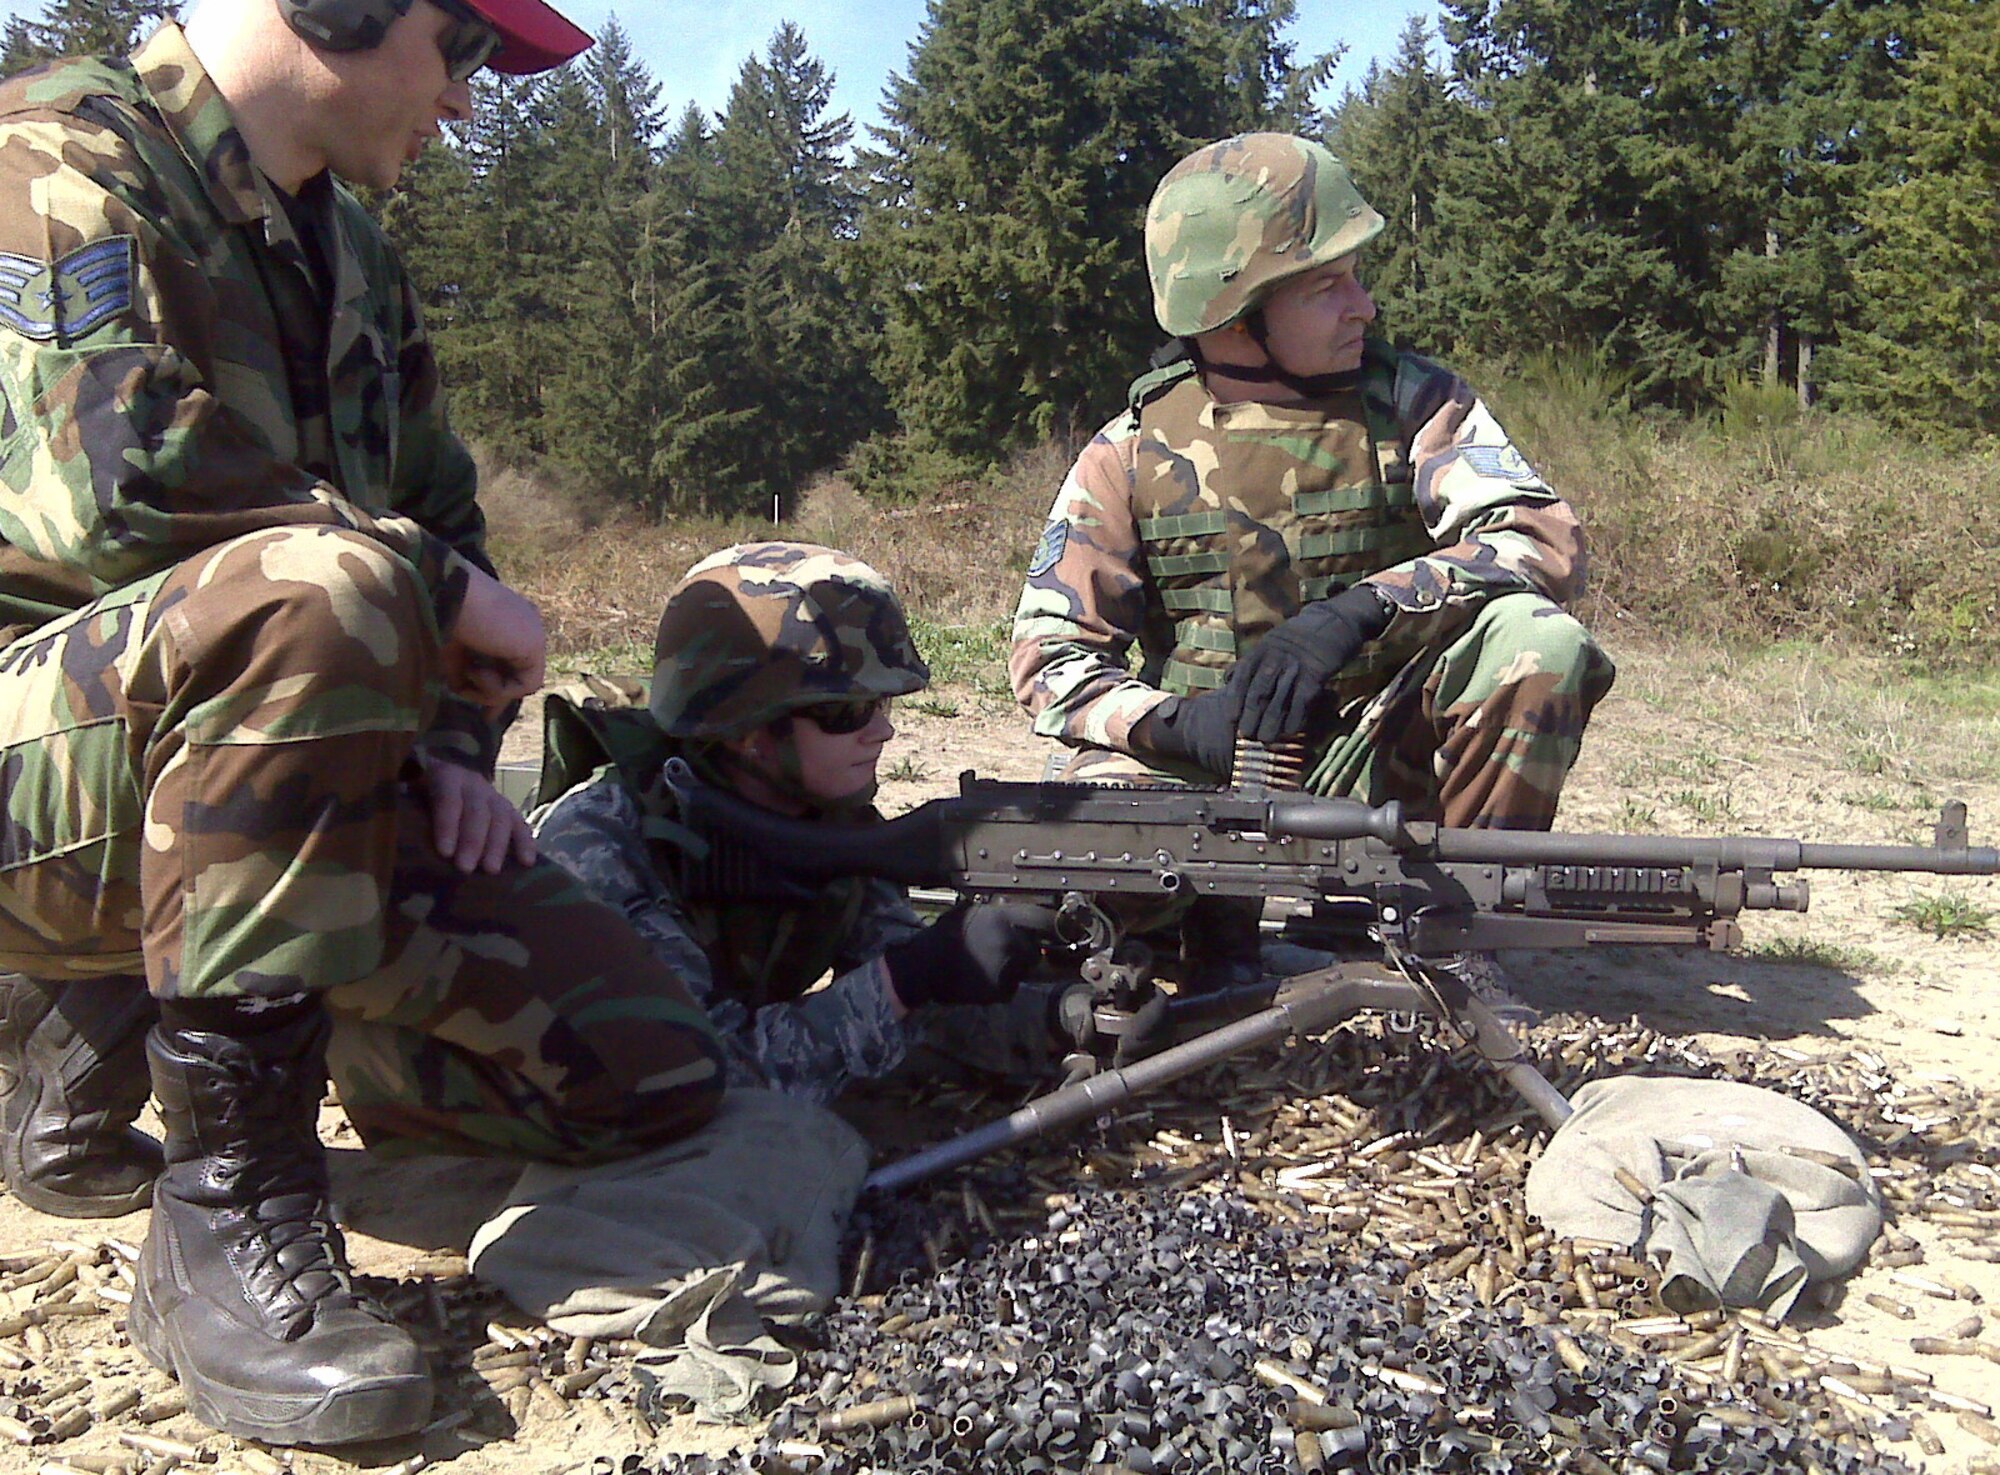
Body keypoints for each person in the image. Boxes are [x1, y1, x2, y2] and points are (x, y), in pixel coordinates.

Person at [0, 0, 728, 1448]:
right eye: (461, 51)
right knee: (327, 582)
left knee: (643, 1064)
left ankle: (107, 1024)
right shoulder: (54, 153)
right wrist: (425, 580)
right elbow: (110, 477)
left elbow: (445, 514)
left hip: (257, 787)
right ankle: (227, 1207)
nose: (468, 102)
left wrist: (455, 761)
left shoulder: (358, 259)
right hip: (38, 782)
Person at [1011, 132, 1616, 1008]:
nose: (1363, 306)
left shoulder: (1416, 404)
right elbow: (1049, 658)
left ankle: (1452, 938)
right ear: (1235, 308)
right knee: (1084, 872)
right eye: (1327, 284)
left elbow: (1538, 538)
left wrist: (1367, 609)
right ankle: (1194, 941)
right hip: (1204, 771)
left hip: (1377, 761)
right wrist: (1177, 724)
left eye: (1358, 276)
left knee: (1539, 644)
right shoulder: (1131, 450)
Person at [532, 541, 1060, 1103]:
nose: (882, 732)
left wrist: (1056, 1021)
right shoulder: (599, 849)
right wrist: (911, 975)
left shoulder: (823, 820)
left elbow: (907, 1010)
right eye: (847, 712)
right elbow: (708, 1081)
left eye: (884, 705)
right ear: (747, 730)